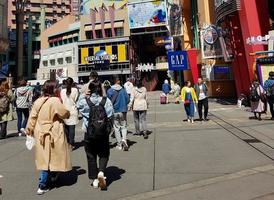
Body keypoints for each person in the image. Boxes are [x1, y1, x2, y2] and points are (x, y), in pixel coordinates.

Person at [25, 80, 71, 195]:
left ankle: (47, 180)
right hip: (53, 131)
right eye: (57, 87)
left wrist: (29, 130)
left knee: (44, 158)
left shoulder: (38, 101)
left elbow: (32, 118)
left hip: (40, 132)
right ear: (54, 89)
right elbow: (64, 113)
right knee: (54, 156)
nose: (59, 89)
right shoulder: (55, 101)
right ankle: (43, 183)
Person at [77, 81, 113, 190]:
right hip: (103, 133)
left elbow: (77, 105)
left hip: (89, 133)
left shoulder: (84, 101)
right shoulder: (106, 101)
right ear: (101, 90)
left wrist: (84, 95)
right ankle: (101, 172)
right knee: (104, 153)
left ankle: (95, 179)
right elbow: (111, 115)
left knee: (91, 155)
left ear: (90, 90)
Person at [107, 76, 129, 151]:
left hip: (114, 111)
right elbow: (127, 99)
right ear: (118, 81)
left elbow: (108, 102)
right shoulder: (123, 90)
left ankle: (119, 144)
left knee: (116, 128)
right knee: (124, 126)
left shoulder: (109, 91)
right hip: (123, 110)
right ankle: (124, 140)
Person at [60, 77, 79, 149]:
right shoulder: (75, 90)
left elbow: (61, 100)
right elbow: (76, 99)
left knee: (66, 128)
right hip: (73, 110)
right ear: (72, 82)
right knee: (72, 129)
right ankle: (71, 143)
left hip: (65, 110)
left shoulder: (62, 91)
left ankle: (67, 142)